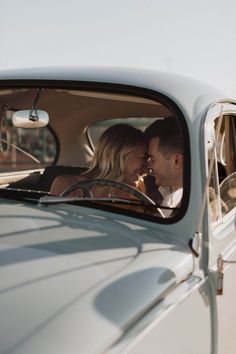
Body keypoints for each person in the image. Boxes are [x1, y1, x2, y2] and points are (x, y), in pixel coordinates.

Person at [50, 124, 147, 199]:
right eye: (143, 157)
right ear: (118, 154)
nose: (146, 167)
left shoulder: (138, 189)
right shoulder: (67, 185)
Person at [145, 117, 184, 217]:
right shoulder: (155, 194)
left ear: (176, 161)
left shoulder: (202, 207)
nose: (149, 166)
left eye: (153, 160)